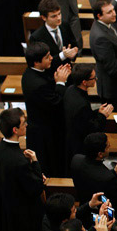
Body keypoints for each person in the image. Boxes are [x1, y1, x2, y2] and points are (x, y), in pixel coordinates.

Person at [0, 108, 46, 231]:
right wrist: (35, 163)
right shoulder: (19, 161)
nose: (26, 125)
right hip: (24, 212)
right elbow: (36, 188)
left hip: (3, 205)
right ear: (15, 129)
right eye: (23, 123)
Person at [22, 42, 70, 176]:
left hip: (45, 125)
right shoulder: (37, 84)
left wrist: (63, 55)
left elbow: (50, 65)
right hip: (44, 132)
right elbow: (56, 103)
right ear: (37, 62)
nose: (51, 58)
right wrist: (60, 82)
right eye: (47, 56)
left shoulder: (32, 70)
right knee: (51, 165)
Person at [70, 133, 117, 216]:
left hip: (85, 207)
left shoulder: (76, 159)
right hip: (104, 213)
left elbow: (96, 175)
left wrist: (114, 172)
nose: (110, 146)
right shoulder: (107, 178)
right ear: (100, 154)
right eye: (107, 146)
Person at [89, 0, 117, 109]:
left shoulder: (106, 24)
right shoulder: (100, 37)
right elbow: (111, 67)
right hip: (111, 87)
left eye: (113, 10)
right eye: (109, 12)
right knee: (114, 119)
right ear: (99, 16)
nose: (114, 13)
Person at [30, 0, 79, 74]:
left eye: (59, 14)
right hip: (51, 76)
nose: (59, 18)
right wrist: (63, 55)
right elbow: (41, 63)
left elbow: (73, 44)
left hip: (68, 72)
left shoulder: (65, 26)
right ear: (44, 18)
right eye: (54, 16)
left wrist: (73, 54)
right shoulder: (36, 37)